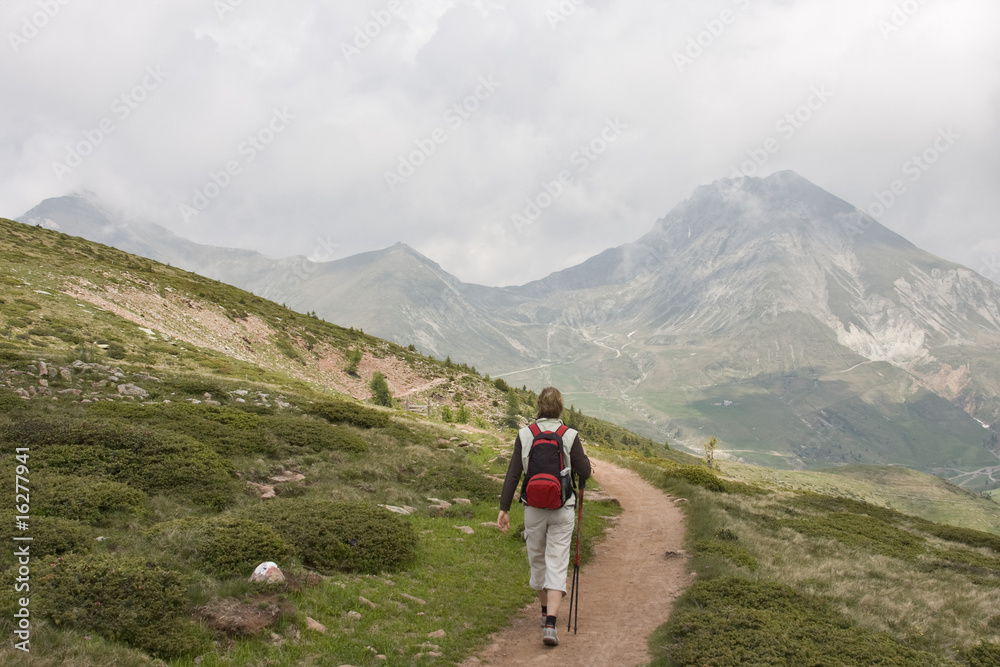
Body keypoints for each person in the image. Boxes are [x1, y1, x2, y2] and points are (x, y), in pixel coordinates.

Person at [497, 386, 592, 647]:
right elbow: (584, 472)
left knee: (537, 558)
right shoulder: (569, 435)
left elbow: (513, 474)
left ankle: (543, 612)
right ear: (561, 407)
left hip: (533, 508)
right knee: (557, 559)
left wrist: (504, 508)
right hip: (563, 508)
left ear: (538, 405)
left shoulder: (525, 434)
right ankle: (551, 623)